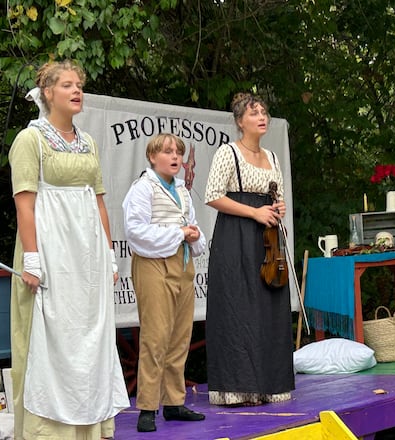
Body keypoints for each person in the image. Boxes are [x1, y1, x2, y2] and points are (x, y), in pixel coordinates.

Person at [8, 59, 130, 440]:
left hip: (86, 256)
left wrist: (109, 255)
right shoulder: (31, 140)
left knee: (88, 338)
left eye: (80, 84)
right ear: (48, 92)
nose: (77, 90)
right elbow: (25, 203)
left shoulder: (88, 142)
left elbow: (98, 202)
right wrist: (32, 258)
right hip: (49, 251)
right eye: (67, 85)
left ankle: (89, 429)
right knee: (50, 337)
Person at [204, 92, 295, 406]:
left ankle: (269, 384)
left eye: (264, 112)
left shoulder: (272, 156)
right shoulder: (228, 153)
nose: (262, 117)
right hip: (236, 236)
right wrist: (254, 212)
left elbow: (277, 196)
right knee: (239, 307)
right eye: (254, 113)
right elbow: (213, 195)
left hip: (267, 239)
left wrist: (276, 207)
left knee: (268, 305)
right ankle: (237, 387)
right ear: (240, 121)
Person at [122, 133, 208, 432]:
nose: (175, 157)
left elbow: (192, 225)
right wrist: (180, 234)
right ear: (152, 157)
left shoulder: (182, 191)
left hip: (182, 264)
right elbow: (135, 232)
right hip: (153, 264)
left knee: (180, 336)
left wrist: (194, 235)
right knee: (155, 337)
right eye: (168, 152)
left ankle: (173, 402)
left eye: (178, 152)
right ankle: (147, 407)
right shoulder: (143, 189)